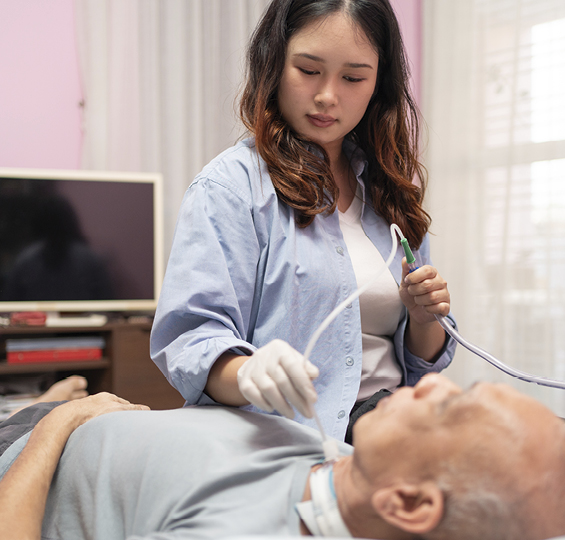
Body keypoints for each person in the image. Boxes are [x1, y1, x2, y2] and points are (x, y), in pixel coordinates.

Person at [150, 0, 456, 442]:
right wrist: (246, 371)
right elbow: (191, 341)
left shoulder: (390, 191)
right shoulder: (232, 188)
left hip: (395, 424)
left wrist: (425, 317)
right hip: (293, 438)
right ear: (274, 62)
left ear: (378, 84)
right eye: (309, 70)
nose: (328, 96)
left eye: (353, 78)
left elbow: (418, 363)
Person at [0, 374, 565, 540]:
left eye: (446, 405)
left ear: (411, 504)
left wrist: (59, 428)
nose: (434, 380)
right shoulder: (462, 483)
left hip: (8, 464)